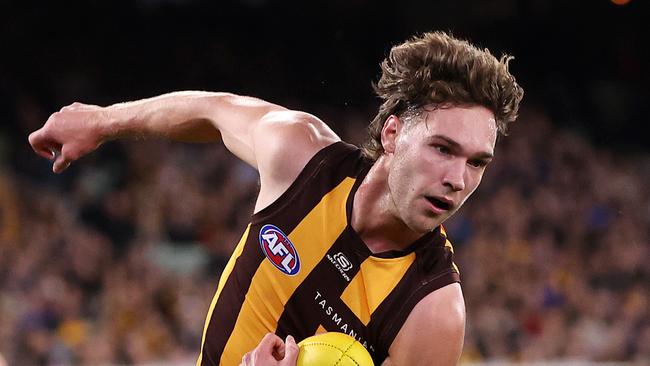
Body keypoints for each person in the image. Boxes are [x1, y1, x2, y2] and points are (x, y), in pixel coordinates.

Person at [28, 31, 523, 365]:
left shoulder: (432, 311)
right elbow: (212, 111)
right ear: (392, 134)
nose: (458, 179)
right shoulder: (301, 157)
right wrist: (100, 121)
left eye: (477, 162)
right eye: (443, 148)